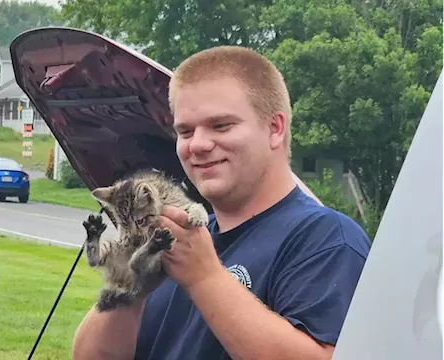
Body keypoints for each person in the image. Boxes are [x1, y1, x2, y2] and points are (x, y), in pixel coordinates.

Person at [72, 46, 371, 359]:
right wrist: (132, 288)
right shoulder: (177, 240)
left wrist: (204, 278)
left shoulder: (326, 239)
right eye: (185, 131)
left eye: (221, 125)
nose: (198, 144)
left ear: (275, 129)